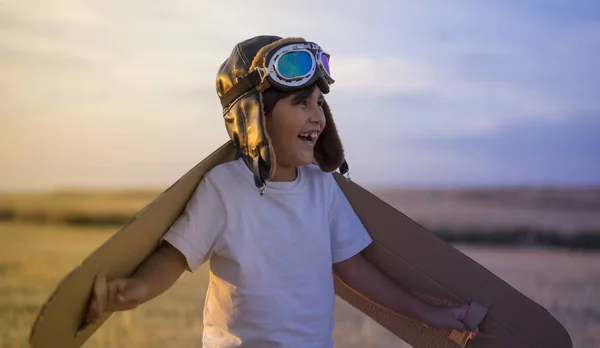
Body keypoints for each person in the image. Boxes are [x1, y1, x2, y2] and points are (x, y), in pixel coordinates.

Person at [87, 35, 479, 347]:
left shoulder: (322, 188)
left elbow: (354, 269)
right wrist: (135, 289)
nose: (317, 117)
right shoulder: (223, 189)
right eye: (301, 103)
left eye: (320, 104)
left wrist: (427, 312)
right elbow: (174, 259)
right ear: (254, 117)